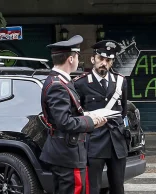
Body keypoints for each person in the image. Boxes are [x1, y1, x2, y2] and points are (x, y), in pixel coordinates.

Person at [40, 35, 107, 194]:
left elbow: (68, 112)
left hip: (64, 151)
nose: (78, 60)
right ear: (70, 59)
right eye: (77, 56)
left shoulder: (59, 81)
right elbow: (64, 122)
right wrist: (91, 122)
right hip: (68, 153)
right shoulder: (58, 85)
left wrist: (87, 115)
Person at [73, 40, 128, 194]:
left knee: (118, 187)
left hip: (117, 143)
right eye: (101, 59)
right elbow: (78, 113)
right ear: (93, 59)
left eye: (108, 60)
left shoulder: (121, 82)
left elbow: (122, 111)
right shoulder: (81, 84)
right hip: (94, 142)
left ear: (112, 62)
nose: (104, 63)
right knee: (93, 188)